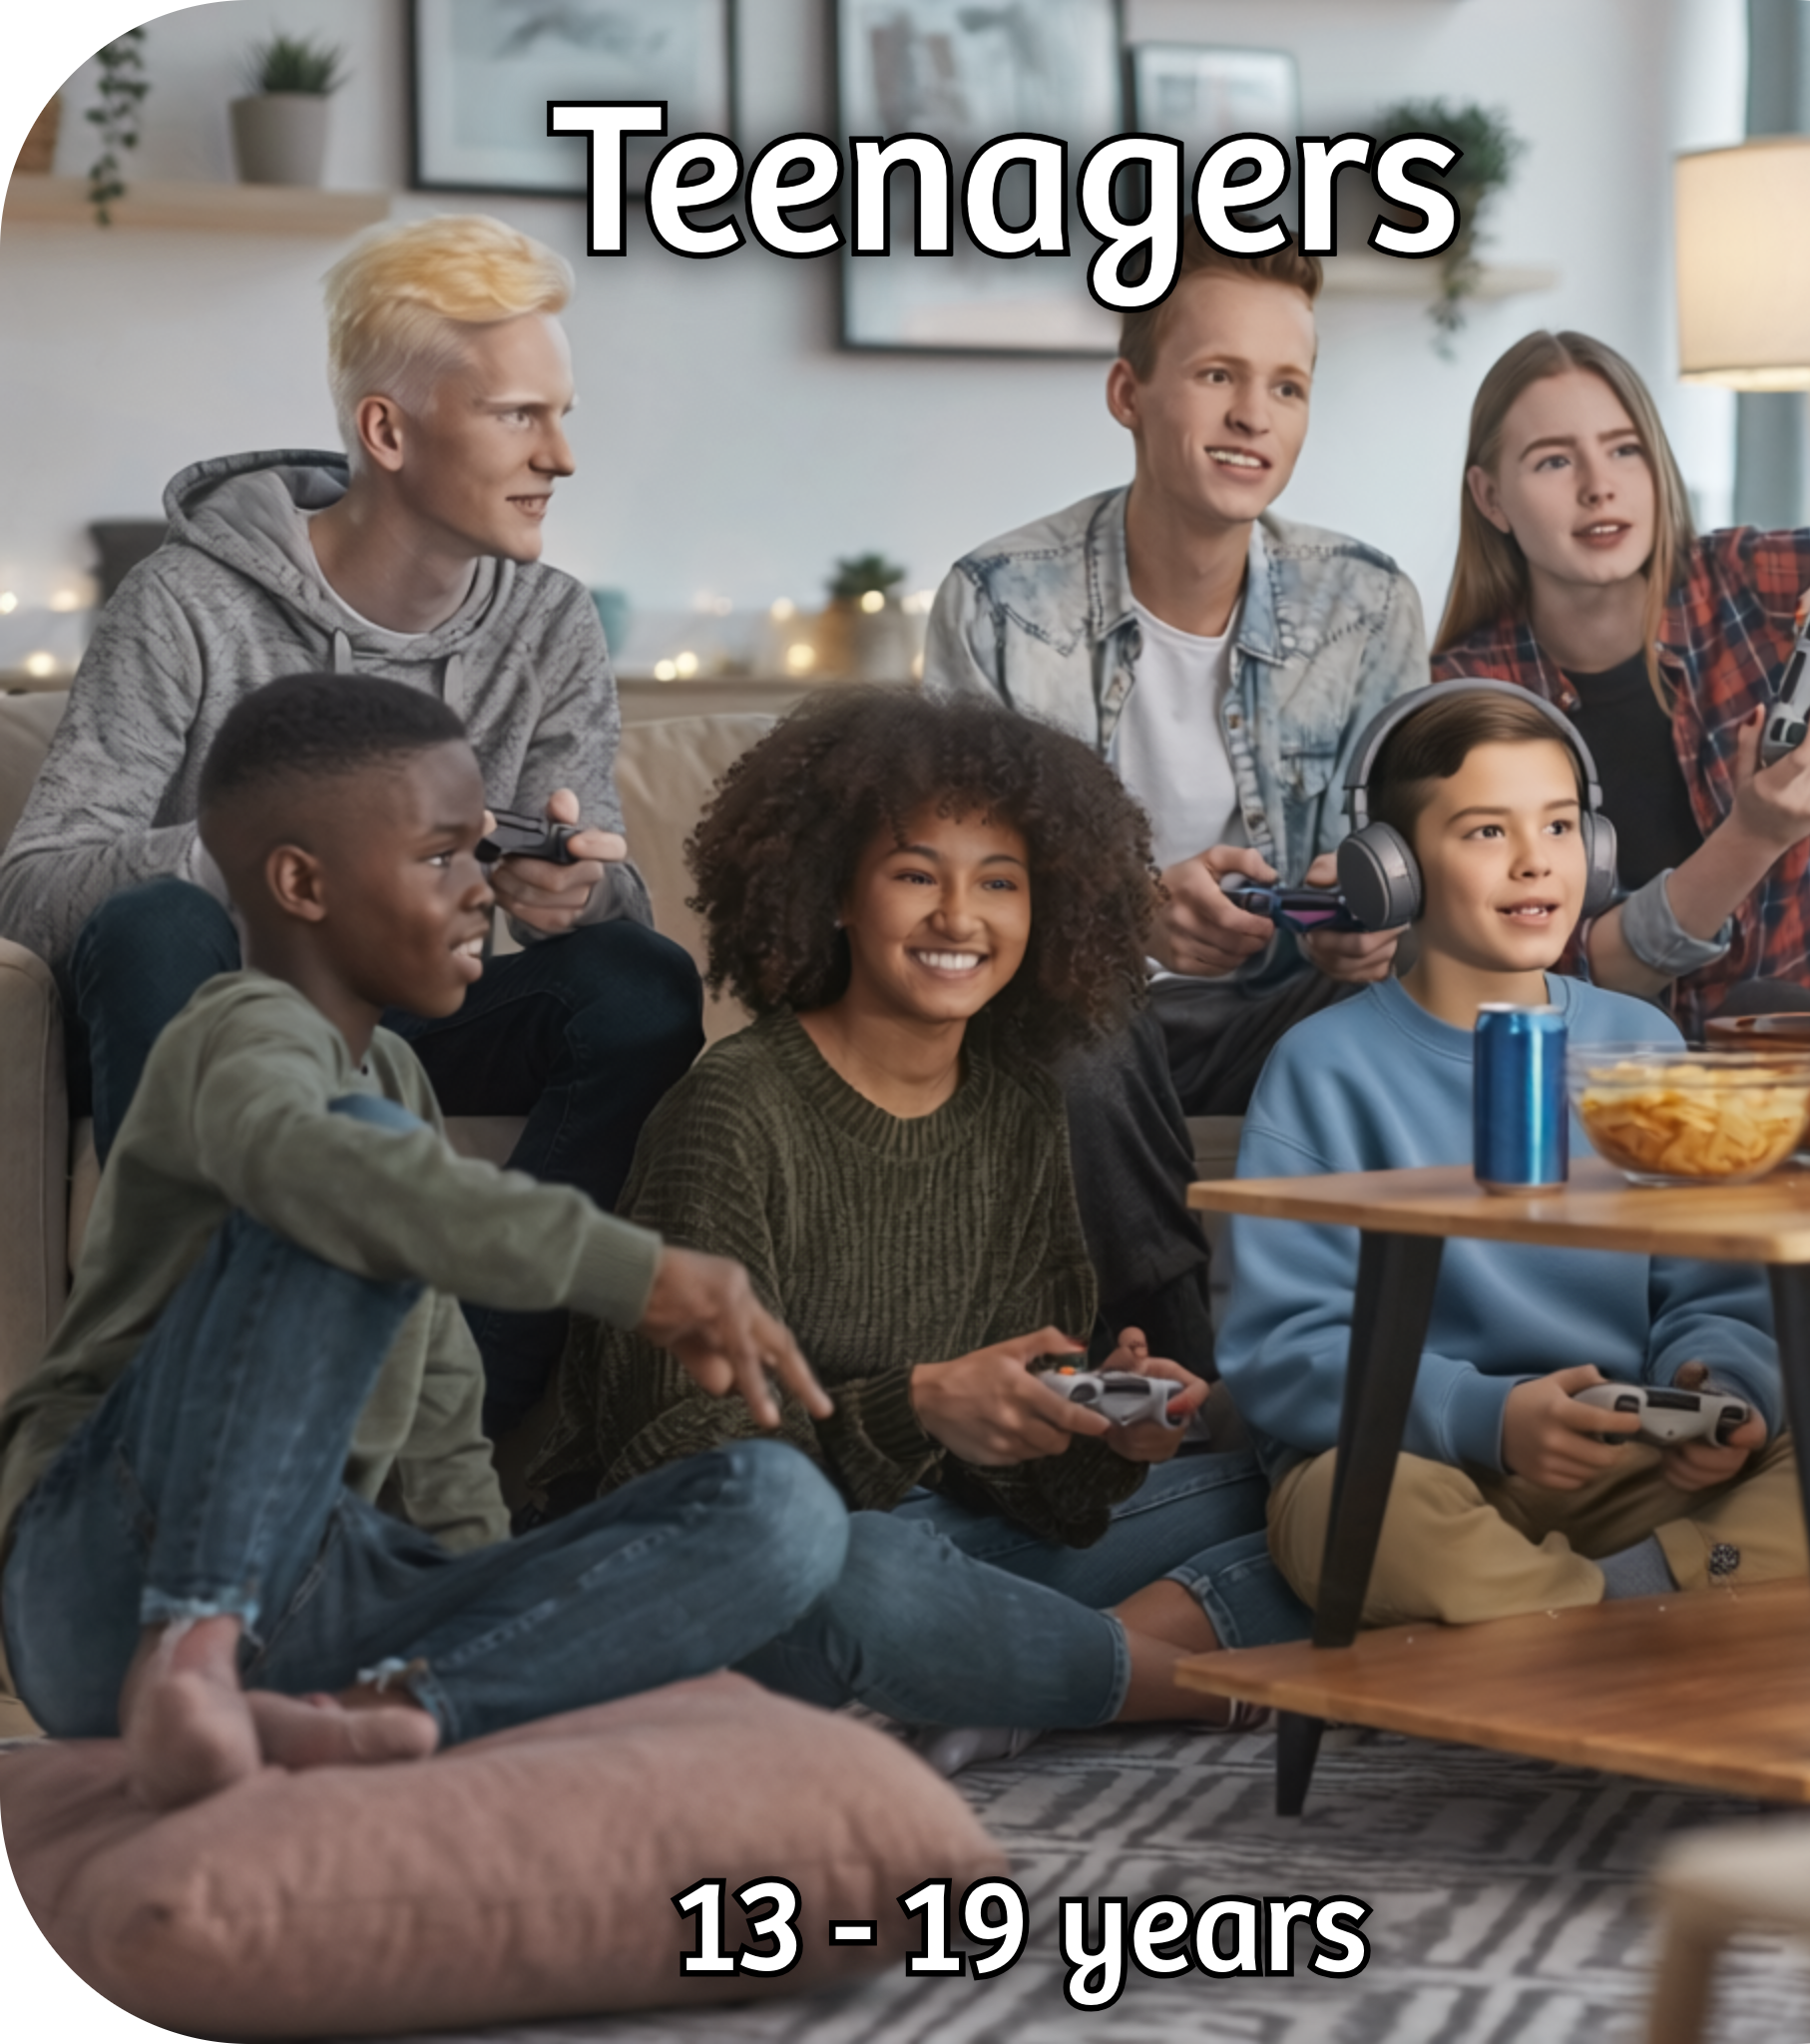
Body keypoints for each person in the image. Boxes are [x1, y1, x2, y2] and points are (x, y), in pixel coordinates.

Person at [0, 675, 844, 1811]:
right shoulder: (235, 1035)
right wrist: (634, 1271)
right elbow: (322, 1171)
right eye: (440, 859)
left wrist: (479, 1591)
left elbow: (443, 1414)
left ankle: (402, 1714)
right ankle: (188, 1651)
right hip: (111, 1560)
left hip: (320, 1594)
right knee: (349, 1178)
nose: (479, 897)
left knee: (781, 1510)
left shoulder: (392, 1081)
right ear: (301, 882)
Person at [0, 214, 699, 1438]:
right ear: (387, 429)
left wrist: (570, 897)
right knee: (155, 921)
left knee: (635, 979)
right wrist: (287, 846)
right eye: (519, 416)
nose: (562, 457)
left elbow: (593, 886)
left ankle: (449, 1424)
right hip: (219, 1019)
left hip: (423, 1016)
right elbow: (39, 891)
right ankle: (218, 1405)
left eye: (562, 413)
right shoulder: (186, 602)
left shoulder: (550, 624)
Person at [528, 689, 1310, 1773]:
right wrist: (919, 1406)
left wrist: (1096, 1434)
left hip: (955, 1544)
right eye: (914, 874)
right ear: (834, 894)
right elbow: (681, 1470)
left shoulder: (1015, 1106)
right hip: (758, 1573)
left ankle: (997, 1676)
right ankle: (1156, 1679)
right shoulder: (735, 1108)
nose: (959, 916)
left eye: (999, 880)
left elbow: (1039, 1502)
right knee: (868, 1573)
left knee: (1323, 1492)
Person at [1218, 686, 1810, 1621]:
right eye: (1484, 833)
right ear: (1389, 873)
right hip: (1430, 1457)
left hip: (1632, 1455)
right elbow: (1283, 1349)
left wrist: (1719, 1388)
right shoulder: (1322, 1069)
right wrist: (1492, 1419)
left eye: (1559, 828)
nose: (1533, 864)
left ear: (1594, 854)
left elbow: (1710, 1285)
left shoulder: (1643, 1042)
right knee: (1349, 1512)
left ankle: (1593, 1602)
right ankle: (1645, 1617)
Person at [921, 226, 1428, 1379]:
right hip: (1077, 1017)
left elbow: (1406, 845)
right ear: (1128, 392)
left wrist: (1366, 917)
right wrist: (1125, 914)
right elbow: (952, 883)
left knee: (1424, 1009)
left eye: (1285, 386)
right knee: (1072, 1011)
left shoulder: (1364, 603)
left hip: (1278, 1006)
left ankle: (1423, 1375)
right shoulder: (998, 600)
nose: (1254, 414)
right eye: (1216, 376)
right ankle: (1182, 1367)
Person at [1432, 328, 1810, 1039]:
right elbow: (1561, 969)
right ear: (1491, 498)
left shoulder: (1739, 582)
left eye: (1625, 450)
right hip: (1599, 1083)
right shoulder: (1472, 690)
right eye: (1555, 461)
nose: (1599, 486)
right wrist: (1754, 836)